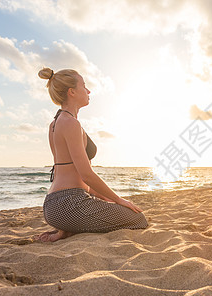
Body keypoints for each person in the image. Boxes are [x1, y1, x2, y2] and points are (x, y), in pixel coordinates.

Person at [35, 68, 148, 242]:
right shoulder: (70, 123)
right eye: (84, 86)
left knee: (118, 211)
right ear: (72, 92)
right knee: (138, 219)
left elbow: (67, 174)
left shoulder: (55, 123)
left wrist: (105, 198)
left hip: (52, 206)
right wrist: (119, 200)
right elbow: (85, 174)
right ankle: (69, 227)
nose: (88, 91)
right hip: (69, 204)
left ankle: (67, 230)